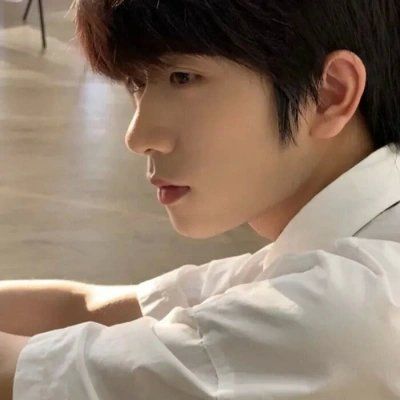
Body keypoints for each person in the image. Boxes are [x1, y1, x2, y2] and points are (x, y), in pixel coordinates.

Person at [5, 0, 400, 398]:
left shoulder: (346, 309)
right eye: (138, 83)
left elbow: (19, 373)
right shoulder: (342, 252)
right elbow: (87, 309)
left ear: (329, 94)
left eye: (182, 77)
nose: (138, 137)